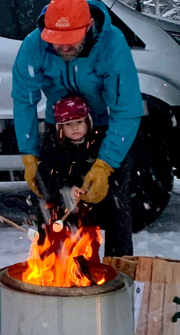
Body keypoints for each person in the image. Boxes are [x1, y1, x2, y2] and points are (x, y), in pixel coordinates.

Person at [12, 0, 143, 257]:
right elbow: (24, 101)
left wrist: (106, 164)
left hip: (103, 127)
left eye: (71, 41)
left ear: (89, 28)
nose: (65, 48)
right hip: (58, 126)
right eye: (57, 42)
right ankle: (56, 266)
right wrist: (29, 154)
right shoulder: (33, 45)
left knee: (115, 204)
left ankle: (118, 271)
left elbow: (126, 108)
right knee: (53, 199)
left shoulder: (112, 44)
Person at [36, 95, 130, 256]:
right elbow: (45, 178)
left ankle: (100, 268)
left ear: (87, 122)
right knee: (53, 238)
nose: (75, 128)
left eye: (79, 122)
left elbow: (117, 174)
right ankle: (51, 267)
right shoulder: (53, 147)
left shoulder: (100, 145)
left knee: (89, 245)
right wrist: (66, 190)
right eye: (68, 124)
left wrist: (96, 190)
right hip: (62, 209)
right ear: (60, 128)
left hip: (92, 211)